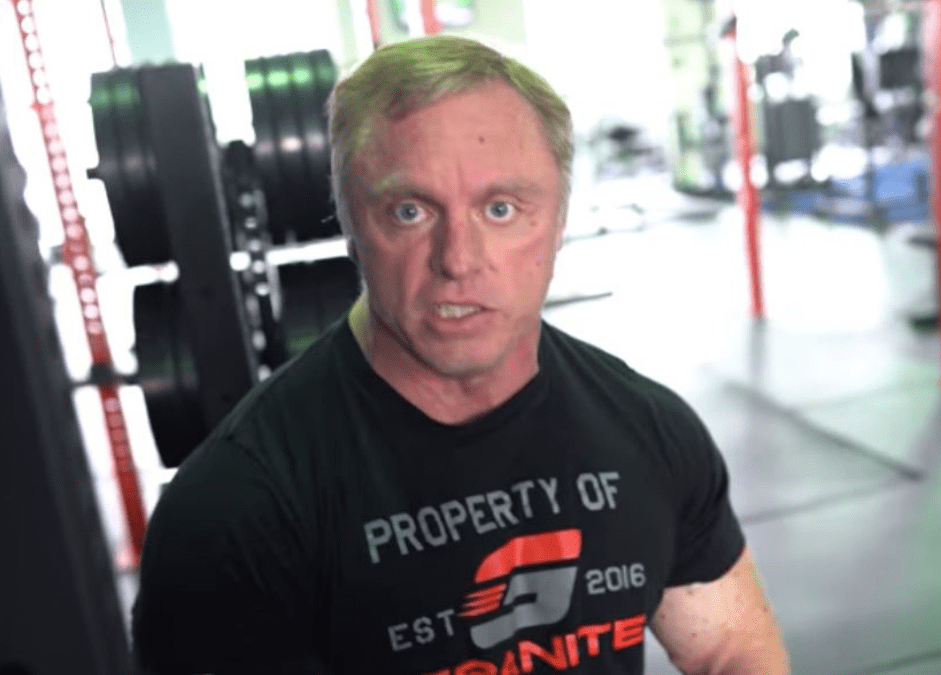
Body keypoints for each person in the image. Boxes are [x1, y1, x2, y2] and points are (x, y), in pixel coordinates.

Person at [132, 35, 790, 675]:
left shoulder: (650, 430)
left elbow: (728, 647)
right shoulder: (235, 514)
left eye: (501, 209)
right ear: (350, 223)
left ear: (558, 221)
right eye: (410, 212)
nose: (458, 260)